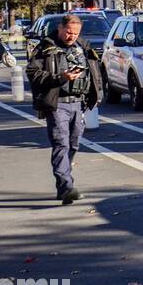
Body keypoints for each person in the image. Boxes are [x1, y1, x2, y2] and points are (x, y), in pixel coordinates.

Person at [26, 13, 103, 204]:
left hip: (79, 103)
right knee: (61, 144)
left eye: (76, 33)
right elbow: (33, 73)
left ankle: (64, 183)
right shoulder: (46, 48)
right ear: (60, 28)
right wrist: (61, 77)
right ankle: (66, 187)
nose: (72, 36)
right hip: (57, 104)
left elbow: (95, 71)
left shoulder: (83, 47)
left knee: (74, 144)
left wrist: (97, 94)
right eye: (68, 32)